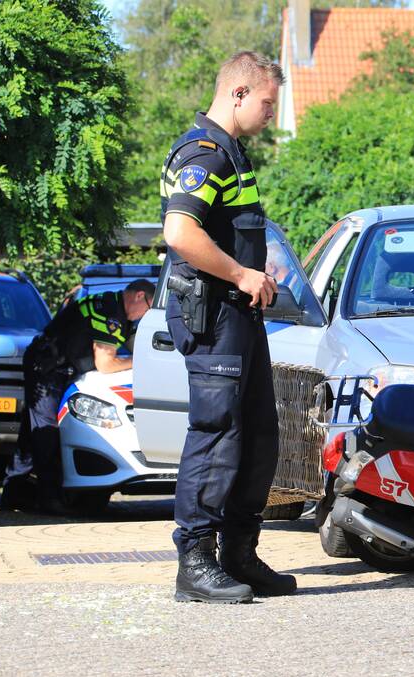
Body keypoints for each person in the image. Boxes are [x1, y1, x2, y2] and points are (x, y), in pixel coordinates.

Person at [160, 51, 295, 604]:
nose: (271, 115)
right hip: (214, 315)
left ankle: (239, 553)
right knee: (218, 433)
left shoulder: (232, 154)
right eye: (267, 103)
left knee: (259, 434)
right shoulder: (205, 152)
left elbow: (223, 231)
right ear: (238, 94)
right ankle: (195, 562)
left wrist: (258, 266)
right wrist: (241, 273)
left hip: (239, 314)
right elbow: (179, 232)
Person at [0, 281, 154, 512]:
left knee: (32, 431)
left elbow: (135, 346)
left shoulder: (113, 305)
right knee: (46, 431)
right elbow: (106, 363)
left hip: (53, 363)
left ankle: (13, 493)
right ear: (139, 296)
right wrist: (140, 362)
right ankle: (49, 499)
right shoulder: (110, 313)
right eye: (148, 307)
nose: (146, 315)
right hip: (47, 365)